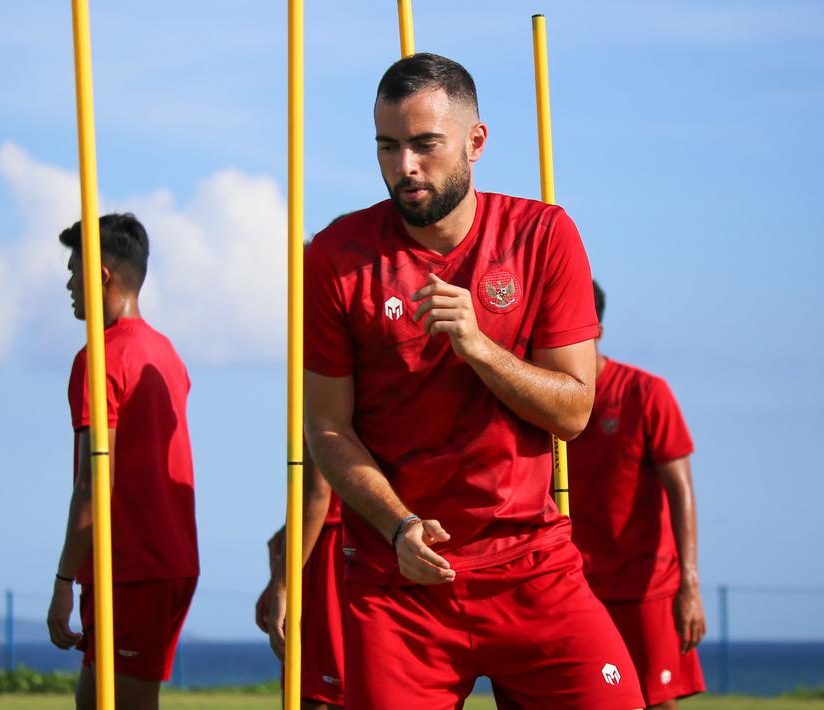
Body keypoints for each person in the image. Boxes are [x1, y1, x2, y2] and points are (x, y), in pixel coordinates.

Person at [302, 53, 645, 708]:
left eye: (424, 145)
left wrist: (478, 347)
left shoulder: (543, 234)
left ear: (474, 142)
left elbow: (573, 411)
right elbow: (326, 426)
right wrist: (397, 524)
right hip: (399, 581)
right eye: (387, 146)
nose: (404, 167)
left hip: (531, 568)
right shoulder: (336, 257)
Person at [46, 213, 199, 710]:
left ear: (103, 273)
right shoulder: (164, 352)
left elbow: (94, 484)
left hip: (133, 565)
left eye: (74, 270)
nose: (69, 283)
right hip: (163, 560)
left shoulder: (102, 357)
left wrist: (64, 580)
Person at [568, 280, 707, 709]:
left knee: (655, 699)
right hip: (575, 583)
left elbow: (682, 492)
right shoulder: (539, 398)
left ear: (597, 331)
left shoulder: (645, 393)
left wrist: (690, 585)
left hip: (645, 584)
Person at [254, 454, 346, 710]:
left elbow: (318, 491)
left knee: (319, 692)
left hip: (329, 547)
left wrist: (281, 585)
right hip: (360, 540)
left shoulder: (311, 412)